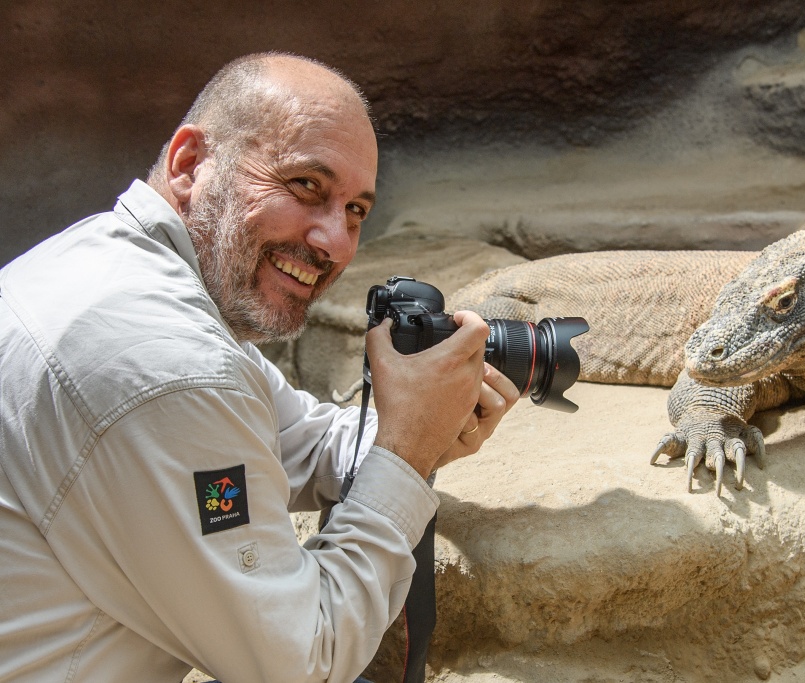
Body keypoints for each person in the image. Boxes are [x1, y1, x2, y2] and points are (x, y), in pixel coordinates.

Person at [0, 52, 519, 682]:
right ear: (190, 164)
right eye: (306, 186)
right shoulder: (168, 366)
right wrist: (406, 455)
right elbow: (303, 661)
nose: (335, 242)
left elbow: (299, 445)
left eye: (356, 210)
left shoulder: (117, 272)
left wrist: (424, 418)